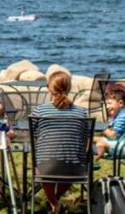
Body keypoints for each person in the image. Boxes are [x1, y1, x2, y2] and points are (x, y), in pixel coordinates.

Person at [31, 71, 88, 214]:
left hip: (45, 167)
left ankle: (53, 202)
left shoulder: (40, 111)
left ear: (50, 88)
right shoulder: (81, 113)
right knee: (68, 162)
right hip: (75, 169)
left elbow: (33, 137)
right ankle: (55, 201)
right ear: (69, 88)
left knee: (46, 162)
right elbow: (84, 139)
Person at [94, 89, 125, 161]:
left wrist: (102, 128)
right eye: (107, 104)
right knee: (94, 140)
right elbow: (110, 130)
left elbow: (112, 135)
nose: (107, 107)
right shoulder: (119, 114)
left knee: (98, 142)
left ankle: (90, 162)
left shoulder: (123, 116)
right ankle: (91, 160)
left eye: (110, 103)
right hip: (119, 143)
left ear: (120, 103)